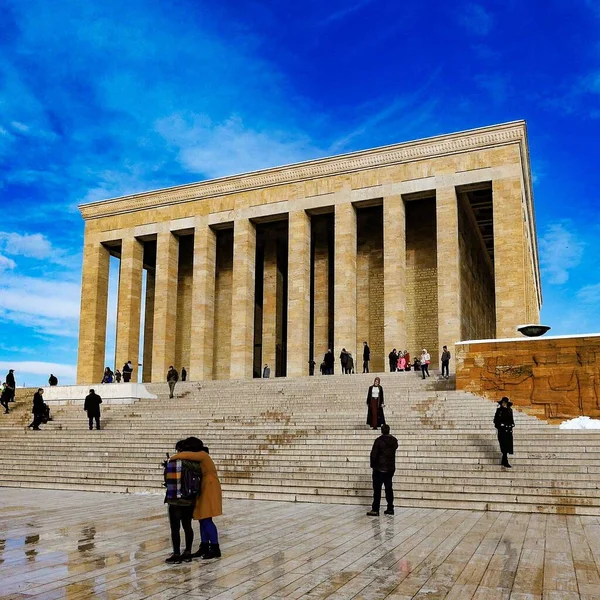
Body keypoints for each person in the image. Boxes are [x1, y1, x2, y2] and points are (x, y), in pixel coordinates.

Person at [169, 437, 223, 560]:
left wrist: (173, 457)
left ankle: (215, 547)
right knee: (202, 517)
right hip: (204, 486)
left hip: (209, 487)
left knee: (206, 518)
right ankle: (204, 545)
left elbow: (186, 455)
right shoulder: (201, 455)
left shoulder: (202, 455)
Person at [163, 439, 203, 563]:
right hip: (188, 499)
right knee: (187, 526)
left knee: (175, 528)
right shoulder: (193, 463)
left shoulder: (172, 462)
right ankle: (187, 551)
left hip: (174, 500)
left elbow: (166, 479)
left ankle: (176, 553)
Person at [367, 424, 398, 516]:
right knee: (389, 488)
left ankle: (375, 509)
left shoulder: (379, 441)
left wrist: (373, 465)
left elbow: (373, 455)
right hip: (390, 468)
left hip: (379, 468)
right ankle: (390, 508)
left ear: (382, 431)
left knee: (377, 489)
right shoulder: (394, 440)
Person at [494, 397, 515, 468]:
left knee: (507, 446)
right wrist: (500, 425)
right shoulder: (499, 410)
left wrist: (511, 425)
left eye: (505, 402)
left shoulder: (510, 410)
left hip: (508, 431)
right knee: (503, 445)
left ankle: (504, 460)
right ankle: (505, 460)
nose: (504, 404)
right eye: (503, 402)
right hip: (501, 431)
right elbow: (495, 420)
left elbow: (512, 420)